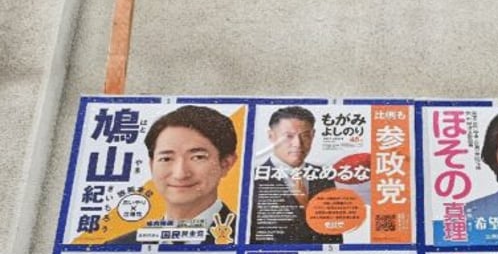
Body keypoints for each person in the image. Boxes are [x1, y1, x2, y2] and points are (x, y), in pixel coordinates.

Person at [110, 105, 238, 245]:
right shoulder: (119, 247)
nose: (180, 174)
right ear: (152, 165)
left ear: (226, 163)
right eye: (166, 159)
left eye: (198, 157)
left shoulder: (255, 240)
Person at [249, 106, 341, 244]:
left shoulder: (324, 176)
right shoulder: (252, 179)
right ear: (271, 136)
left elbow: (334, 231)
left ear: (313, 135)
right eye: (288, 136)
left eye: (305, 135)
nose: (298, 144)